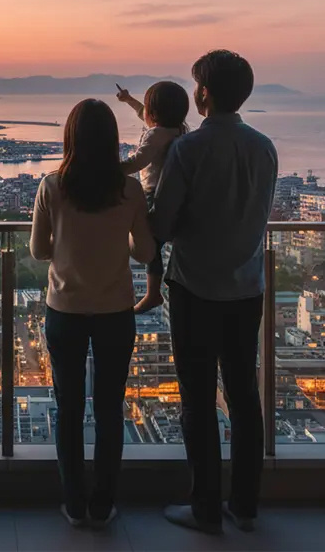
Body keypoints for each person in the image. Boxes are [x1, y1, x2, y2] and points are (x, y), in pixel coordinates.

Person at [149, 50, 277, 535]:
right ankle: (245, 506)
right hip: (247, 289)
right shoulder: (264, 147)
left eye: (196, 84)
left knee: (197, 401)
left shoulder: (188, 150)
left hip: (195, 289)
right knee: (244, 396)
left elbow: (161, 223)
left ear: (203, 92)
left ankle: (204, 508)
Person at [30, 98, 156, 529]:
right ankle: (103, 504)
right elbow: (145, 251)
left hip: (64, 308)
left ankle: (74, 503)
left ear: (71, 138)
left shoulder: (52, 185)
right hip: (115, 310)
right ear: (112, 141)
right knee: (108, 409)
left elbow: (37, 250)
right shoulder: (130, 190)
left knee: (67, 408)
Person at [115, 81, 190, 313]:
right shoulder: (177, 130)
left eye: (146, 107)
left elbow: (138, 161)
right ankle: (157, 291)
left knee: (150, 244)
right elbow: (143, 114)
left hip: (153, 193)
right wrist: (129, 100)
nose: (143, 112)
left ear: (154, 113)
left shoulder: (156, 134)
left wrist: (109, 168)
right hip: (175, 192)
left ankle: (152, 292)